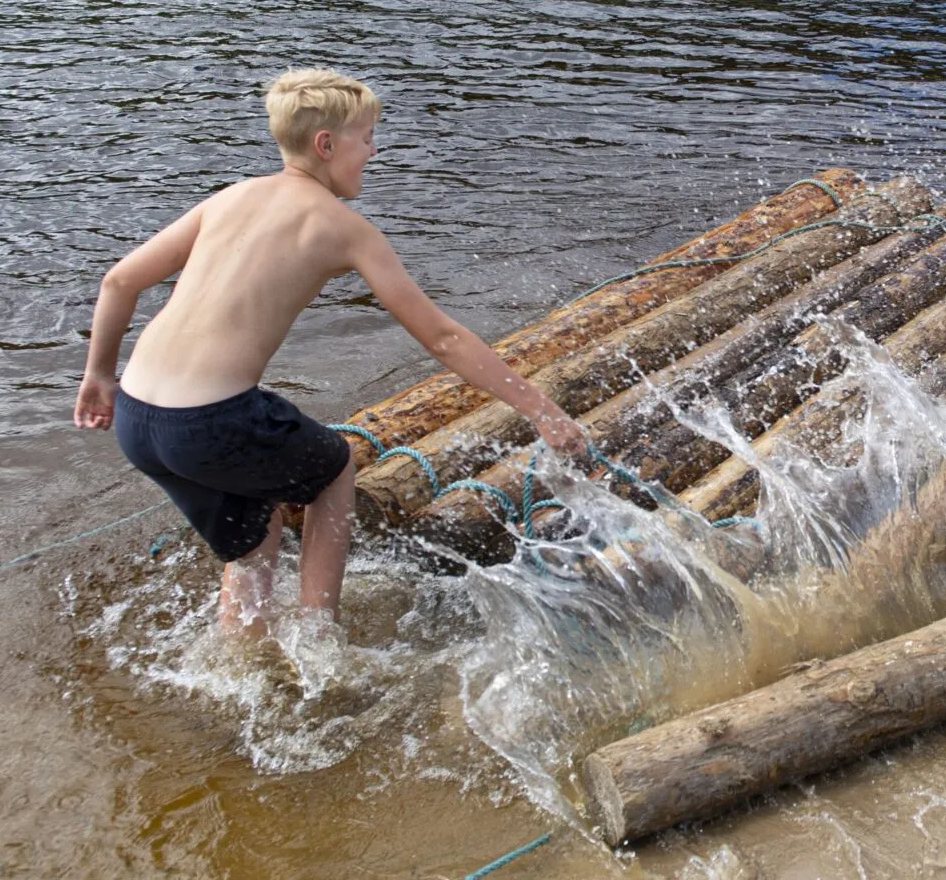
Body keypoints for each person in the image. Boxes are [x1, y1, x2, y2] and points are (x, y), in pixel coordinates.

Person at [73, 69, 590, 638]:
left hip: (139, 417)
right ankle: (320, 634)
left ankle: (242, 649)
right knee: (334, 469)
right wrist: (541, 410)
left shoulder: (231, 197)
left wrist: (99, 376)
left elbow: (119, 281)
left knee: (255, 534)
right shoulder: (343, 228)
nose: (373, 151)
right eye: (366, 138)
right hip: (211, 421)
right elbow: (442, 338)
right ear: (326, 144)